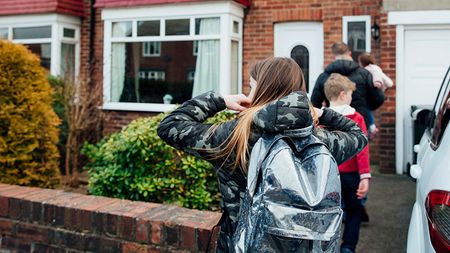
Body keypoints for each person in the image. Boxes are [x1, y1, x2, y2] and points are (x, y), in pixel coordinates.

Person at [157, 57, 368, 252]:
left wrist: (220, 100)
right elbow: (357, 134)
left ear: (261, 90)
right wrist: (321, 112)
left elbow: (170, 126)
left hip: (242, 244)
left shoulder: (234, 137)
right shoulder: (319, 140)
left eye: (251, 86)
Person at [324, 73, 370, 253]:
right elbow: (362, 149)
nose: (351, 98)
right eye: (350, 94)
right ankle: (348, 247)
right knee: (354, 211)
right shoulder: (356, 118)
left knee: (328, 211)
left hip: (328, 174)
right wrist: (365, 176)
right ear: (343, 95)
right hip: (351, 175)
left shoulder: (321, 117)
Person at [311, 42, 385, 131]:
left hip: (332, 123)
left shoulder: (324, 76)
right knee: (361, 144)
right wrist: (365, 107)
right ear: (349, 53)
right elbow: (378, 98)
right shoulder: (364, 74)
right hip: (360, 122)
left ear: (334, 56)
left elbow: (315, 102)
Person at [358, 52, 394, 138]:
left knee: (366, 108)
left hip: (373, 93)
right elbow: (389, 83)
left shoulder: (369, 69)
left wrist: (377, 82)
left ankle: (372, 127)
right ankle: (371, 127)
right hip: (377, 95)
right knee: (367, 110)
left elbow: (376, 77)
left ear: (362, 62)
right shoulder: (376, 68)